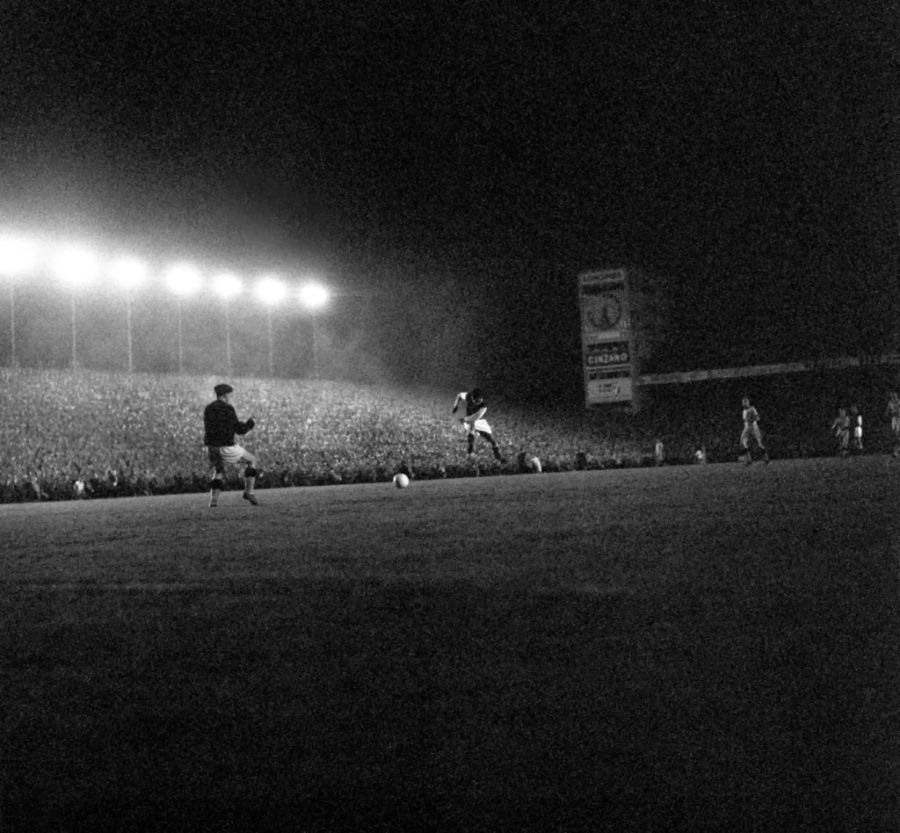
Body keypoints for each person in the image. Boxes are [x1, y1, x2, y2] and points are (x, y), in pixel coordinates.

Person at [203, 383, 261, 506]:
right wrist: (250, 423)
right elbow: (239, 430)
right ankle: (249, 492)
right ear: (225, 395)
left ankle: (213, 501)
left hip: (210, 447)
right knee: (252, 460)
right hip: (225, 446)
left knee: (218, 471)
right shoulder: (228, 408)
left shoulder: (208, 408)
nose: (230, 397)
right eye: (229, 395)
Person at [452, 388, 505, 462]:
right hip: (470, 419)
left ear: (481, 399)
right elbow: (459, 395)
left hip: (478, 420)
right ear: (472, 397)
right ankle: (470, 454)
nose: (476, 402)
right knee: (471, 433)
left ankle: (497, 455)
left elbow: (477, 416)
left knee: (491, 439)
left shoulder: (483, 406)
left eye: (478, 400)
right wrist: (455, 405)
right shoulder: (468, 396)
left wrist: (465, 419)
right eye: (474, 400)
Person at [739, 397, 769, 464]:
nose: (743, 403)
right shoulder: (744, 411)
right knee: (743, 442)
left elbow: (757, 418)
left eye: (745, 402)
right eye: (743, 402)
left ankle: (766, 458)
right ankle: (748, 459)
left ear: (748, 402)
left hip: (753, 427)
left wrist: (751, 420)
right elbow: (745, 420)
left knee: (759, 444)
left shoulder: (752, 409)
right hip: (747, 427)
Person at [886, 392, 900, 456]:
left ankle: (896, 451)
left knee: (897, 435)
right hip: (894, 419)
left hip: (899, 419)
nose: (893, 397)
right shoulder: (890, 403)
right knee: (895, 435)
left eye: (894, 395)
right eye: (892, 395)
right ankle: (896, 450)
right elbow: (887, 412)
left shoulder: (899, 402)